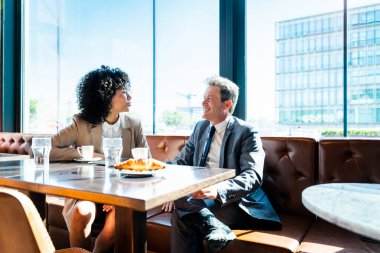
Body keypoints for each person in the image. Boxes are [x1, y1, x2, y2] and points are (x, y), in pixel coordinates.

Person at [167, 76, 281, 253]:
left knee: (182, 210)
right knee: (180, 197)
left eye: (209, 99)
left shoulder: (246, 131)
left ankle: (214, 225)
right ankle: (214, 226)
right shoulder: (200, 127)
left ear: (227, 105)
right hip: (200, 198)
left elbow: (253, 175)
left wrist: (218, 190)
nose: (203, 102)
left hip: (235, 201)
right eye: (204, 97)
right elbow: (180, 162)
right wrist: (154, 168)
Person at [50, 65, 149, 253]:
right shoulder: (82, 122)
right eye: (124, 93)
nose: (130, 97)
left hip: (121, 192)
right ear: (106, 96)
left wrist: (121, 192)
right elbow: (47, 149)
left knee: (116, 220)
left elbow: (146, 163)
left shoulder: (134, 124)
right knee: (81, 213)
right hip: (86, 189)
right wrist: (85, 154)